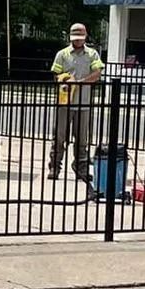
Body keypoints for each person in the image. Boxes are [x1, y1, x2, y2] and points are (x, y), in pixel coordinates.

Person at [48, 22, 104, 183]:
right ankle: (55, 167)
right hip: (64, 102)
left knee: (82, 139)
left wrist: (80, 82)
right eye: (76, 38)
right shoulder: (63, 54)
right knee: (59, 137)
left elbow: (97, 73)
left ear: (85, 37)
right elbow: (55, 74)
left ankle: (81, 169)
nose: (78, 41)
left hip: (83, 102)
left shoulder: (92, 54)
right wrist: (64, 81)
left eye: (81, 37)